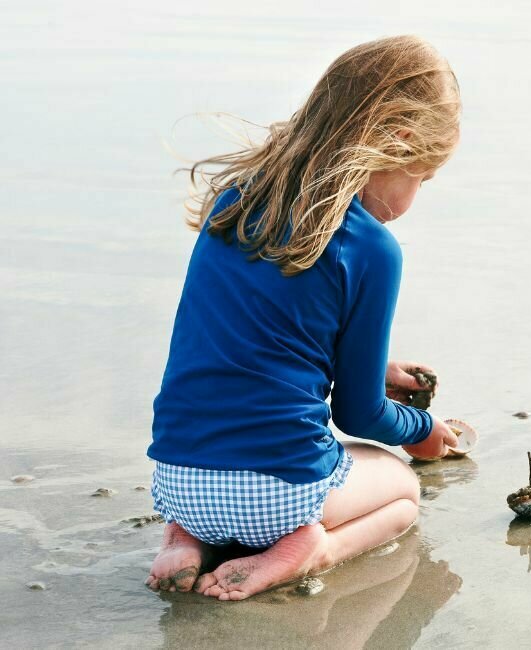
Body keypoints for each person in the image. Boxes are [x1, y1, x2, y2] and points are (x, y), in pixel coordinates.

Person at [145, 34, 462, 601]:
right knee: (400, 493)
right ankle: (310, 550)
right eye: (423, 177)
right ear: (401, 143)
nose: (418, 192)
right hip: (277, 501)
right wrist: (423, 431)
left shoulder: (234, 203)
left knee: (223, 463)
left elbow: (254, 340)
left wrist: (377, 366)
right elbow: (358, 415)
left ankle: (185, 538)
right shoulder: (373, 248)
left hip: (177, 481)